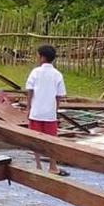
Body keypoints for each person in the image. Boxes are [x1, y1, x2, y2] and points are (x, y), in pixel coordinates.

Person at [25, 44, 67, 175]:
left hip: (36, 112)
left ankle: (38, 166)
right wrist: (55, 109)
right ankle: (52, 166)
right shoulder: (57, 74)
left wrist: (28, 107)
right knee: (52, 140)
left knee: (35, 140)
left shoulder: (35, 72)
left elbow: (30, 91)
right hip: (50, 114)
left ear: (42, 57)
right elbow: (59, 95)